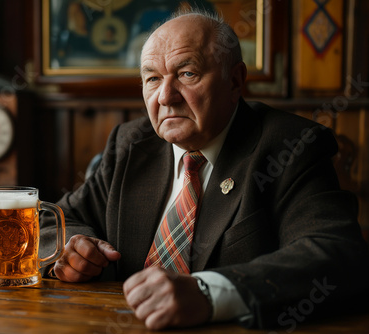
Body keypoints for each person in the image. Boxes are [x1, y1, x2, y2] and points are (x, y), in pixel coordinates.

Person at [40, 10, 369, 331]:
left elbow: (336, 254)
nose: (166, 97)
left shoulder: (290, 146)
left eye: (187, 74)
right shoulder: (130, 145)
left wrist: (208, 293)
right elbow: (50, 222)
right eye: (152, 78)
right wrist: (73, 249)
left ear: (235, 80)